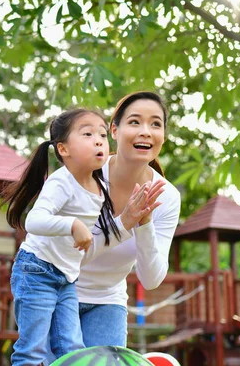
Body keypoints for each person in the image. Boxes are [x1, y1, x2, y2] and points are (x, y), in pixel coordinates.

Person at [0, 108, 161, 365]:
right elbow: (34, 221)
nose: (99, 140)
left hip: (66, 277)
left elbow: (90, 246)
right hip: (36, 271)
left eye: (101, 135)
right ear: (64, 149)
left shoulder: (100, 188)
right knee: (32, 350)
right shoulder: (61, 182)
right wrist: (73, 224)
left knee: (72, 349)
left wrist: (128, 220)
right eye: (87, 134)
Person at [74, 91, 181, 348]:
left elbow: (152, 278)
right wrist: (125, 221)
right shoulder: (83, 174)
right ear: (114, 130)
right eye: (134, 122)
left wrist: (144, 224)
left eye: (155, 124)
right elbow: (64, 254)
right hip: (57, 289)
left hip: (108, 299)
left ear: (163, 136)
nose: (146, 131)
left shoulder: (167, 197)